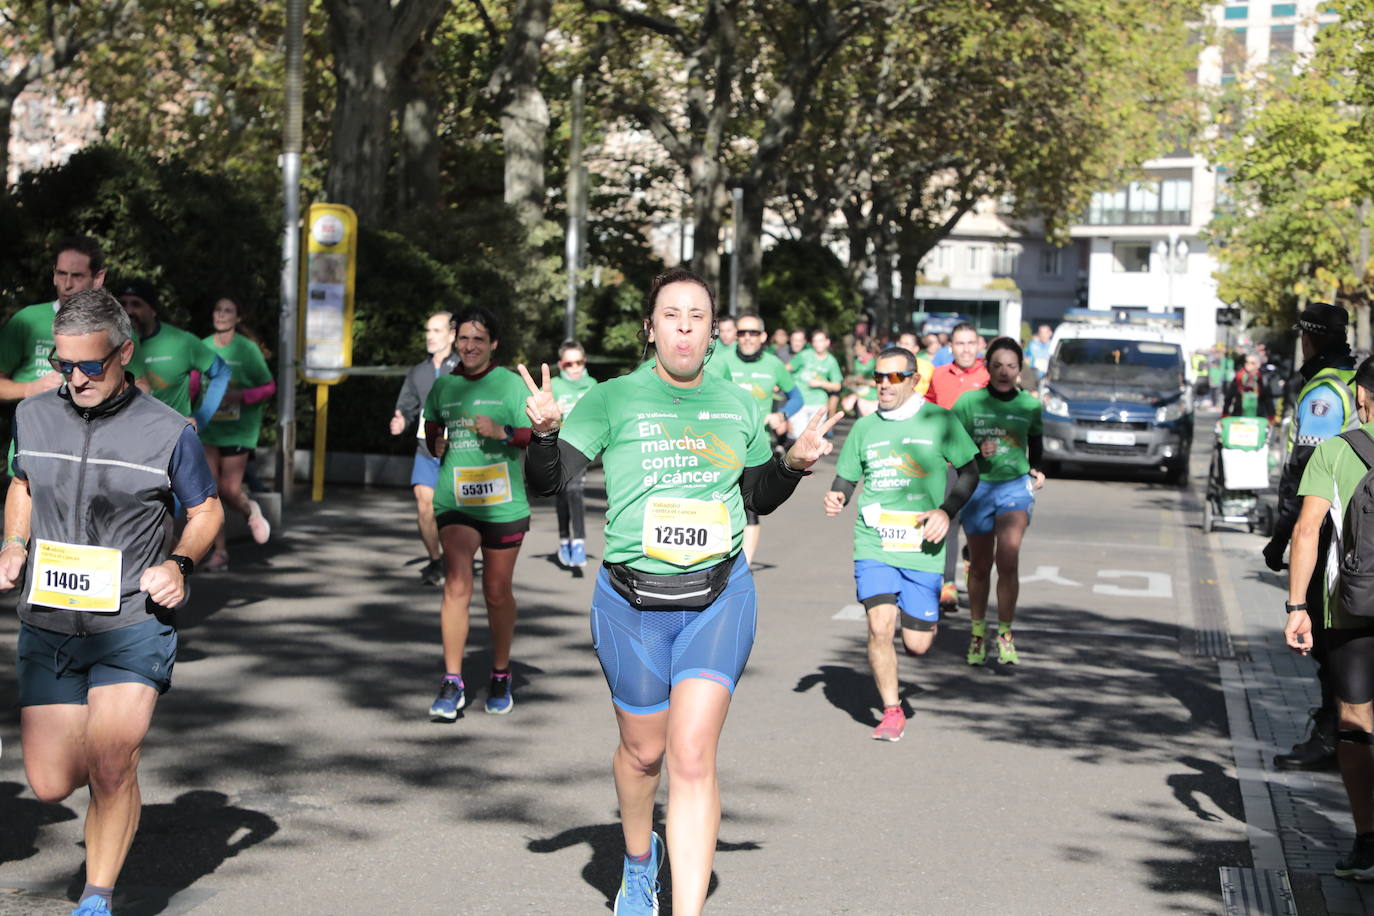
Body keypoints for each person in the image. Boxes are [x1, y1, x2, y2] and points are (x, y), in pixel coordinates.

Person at [521, 268, 838, 916]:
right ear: (651, 327)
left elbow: (755, 496)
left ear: (711, 331)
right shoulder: (613, 399)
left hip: (717, 599)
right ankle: (640, 863)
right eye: (672, 314)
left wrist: (794, 465)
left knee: (691, 756)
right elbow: (547, 484)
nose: (685, 326)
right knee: (644, 754)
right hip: (629, 605)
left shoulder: (737, 404)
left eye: (697, 315)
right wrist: (547, 433)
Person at [0, 288, 223, 916]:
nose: (74, 380)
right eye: (63, 366)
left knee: (111, 759)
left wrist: (179, 563)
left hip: (131, 619)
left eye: (89, 366)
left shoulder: (167, 431)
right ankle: (105, 792)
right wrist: (14, 543)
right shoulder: (34, 415)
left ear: (123, 352)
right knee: (50, 784)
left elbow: (206, 509)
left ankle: (97, 898)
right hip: (48, 618)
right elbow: (22, 484)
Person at [824, 346, 979, 741]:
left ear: (913, 379)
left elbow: (969, 472)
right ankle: (891, 710)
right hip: (874, 541)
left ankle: (922, 622)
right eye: (878, 377)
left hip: (922, 545)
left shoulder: (940, 421)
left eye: (893, 377)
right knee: (879, 626)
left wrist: (946, 510)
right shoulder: (865, 427)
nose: (883, 385)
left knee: (918, 644)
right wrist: (838, 496)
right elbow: (846, 477)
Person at [1283, 355, 1374, 879]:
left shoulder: (1337, 451)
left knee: (1355, 724)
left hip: (1352, 610)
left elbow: (1307, 531)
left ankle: (1366, 841)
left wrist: (1298, 608)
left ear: (1360, 397)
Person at [422, 306, 532, 721]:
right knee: (456, 585)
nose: (469, 346)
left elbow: (535, 436)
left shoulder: (510, 385)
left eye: (478, 340)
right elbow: (432, 426)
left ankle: (501, 672)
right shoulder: (444, 387)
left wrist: (503, 432)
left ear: (493, 345)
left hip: (503, 503)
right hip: (456, 500)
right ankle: (452, 681)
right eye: (464, 338)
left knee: (497, 592)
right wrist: (434, 444)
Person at [1267, 303, 1359, 771]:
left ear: (1309, 339)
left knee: (1326, 641)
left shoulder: (1323, 391)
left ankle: (1331, 737)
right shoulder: (1351, 380)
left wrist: (1282, 534)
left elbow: (1309, 476)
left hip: (1327, 532)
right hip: (1354, 529)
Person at [951, 338, 1045, 665]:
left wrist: (1039, 469)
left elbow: (1036, 440)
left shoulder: (1029, 406)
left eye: (1011, 366)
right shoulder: (968, 403)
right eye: (997, 366)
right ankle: (978, 632)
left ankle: (1005, 633)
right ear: (987, 367)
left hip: (1014, 488)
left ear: (1019, 370)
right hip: (978, 488)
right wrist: (977, 449)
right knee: (979, 565)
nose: (1004, 372)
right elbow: (952, 445)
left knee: (1008, 558)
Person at [713, 312, 804, 564]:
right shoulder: (720, 361)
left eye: (753, 333)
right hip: (722, 442)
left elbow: (797, 397)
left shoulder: (773, 364)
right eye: (742, 333)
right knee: (718, 501)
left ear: (763, 336)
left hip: (757, 445)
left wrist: (782, 414)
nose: (747, 338)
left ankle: (745, 564)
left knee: (749, 507)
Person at [198, 296, 274, 571]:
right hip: (207, 427)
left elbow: (268, 387)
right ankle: (220, 552)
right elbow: (194, 383)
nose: (221, 314)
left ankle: (249, 509)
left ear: (238, 318)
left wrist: (241, 395)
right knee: (210, 491)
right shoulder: (203, 346)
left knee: (229, 490)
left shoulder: (247, 350)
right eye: (217, 309)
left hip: (238, 430)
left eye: (228, 310)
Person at [390, 311, 460, 585]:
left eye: (436, 331)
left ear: (452, 335)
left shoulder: (464, 368)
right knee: (424, 506)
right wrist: (400, 420)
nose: (430, 336)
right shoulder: (418, 372)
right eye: (428, 331)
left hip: (459, 453)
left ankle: (456, 559)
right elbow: (406, 406)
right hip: (425, 450)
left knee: (456, 514)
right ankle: (435, 561)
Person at [926, 322, 990, 612]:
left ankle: (969, 559)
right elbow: (925, 413)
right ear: (950, 346)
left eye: (970, 343)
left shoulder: (990, 377)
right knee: (948, 521)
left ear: (979, 346)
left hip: (984, 464)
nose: (965, 349)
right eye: (959, 343)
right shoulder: (938, 376)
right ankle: (947, 584)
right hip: (948, 463)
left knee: (980, 526)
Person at [116, 281, 229, 428]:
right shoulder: (110, 343)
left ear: (153, 310)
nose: (128, 311)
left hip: (172, 438)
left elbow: (222, 372)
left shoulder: (181, 342)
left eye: (136, 304)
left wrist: (201, 417)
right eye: (123, 304)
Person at [550, 340, 598, 568]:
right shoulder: (553, 386)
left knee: (575, 489)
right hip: (557, 447)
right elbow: (535, 414)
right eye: (570, 364)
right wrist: (551, 414)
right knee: (562, 494)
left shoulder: (593, 385)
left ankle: (578, 542)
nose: (575, 367)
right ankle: (563, 541)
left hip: (581, 447)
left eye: (579, 362)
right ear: (561, 365)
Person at [788, 329, 843, 441]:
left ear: (827, 342)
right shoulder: (803, 355)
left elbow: (837, 386)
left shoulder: (831, 361)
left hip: (818, 404)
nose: (818, 344)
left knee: (812, 439)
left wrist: (821, 383)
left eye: (821, 340)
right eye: (815, 341)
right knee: (799, 437)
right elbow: (786, 369)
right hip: (799, 401)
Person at [1223, 352, 1276, 420]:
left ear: (1258, 365)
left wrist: (1271, 417)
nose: (1248, 365)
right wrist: (1225, 414)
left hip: (1258, 416)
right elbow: (1229, 397)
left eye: (1252, 363)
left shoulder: (1262, 378)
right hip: (1239, 415)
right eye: (1247, 362)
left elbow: (1268, 399)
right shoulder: (1238, 376)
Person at [842, 337, 879, 418]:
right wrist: (849, 380)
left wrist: (862, 381)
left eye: (857, 345)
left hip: (874, 400)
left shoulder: (875, 362)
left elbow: (879, 383)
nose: (855, 348)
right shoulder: (857, 362)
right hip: (860, 399)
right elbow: (857, 378)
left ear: (864, 347)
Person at [896, 330, 934, 398]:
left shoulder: (926, 367)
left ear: (916, 348)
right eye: (900, 343)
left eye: (906, 344)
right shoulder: (892, 365)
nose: (902, 347)